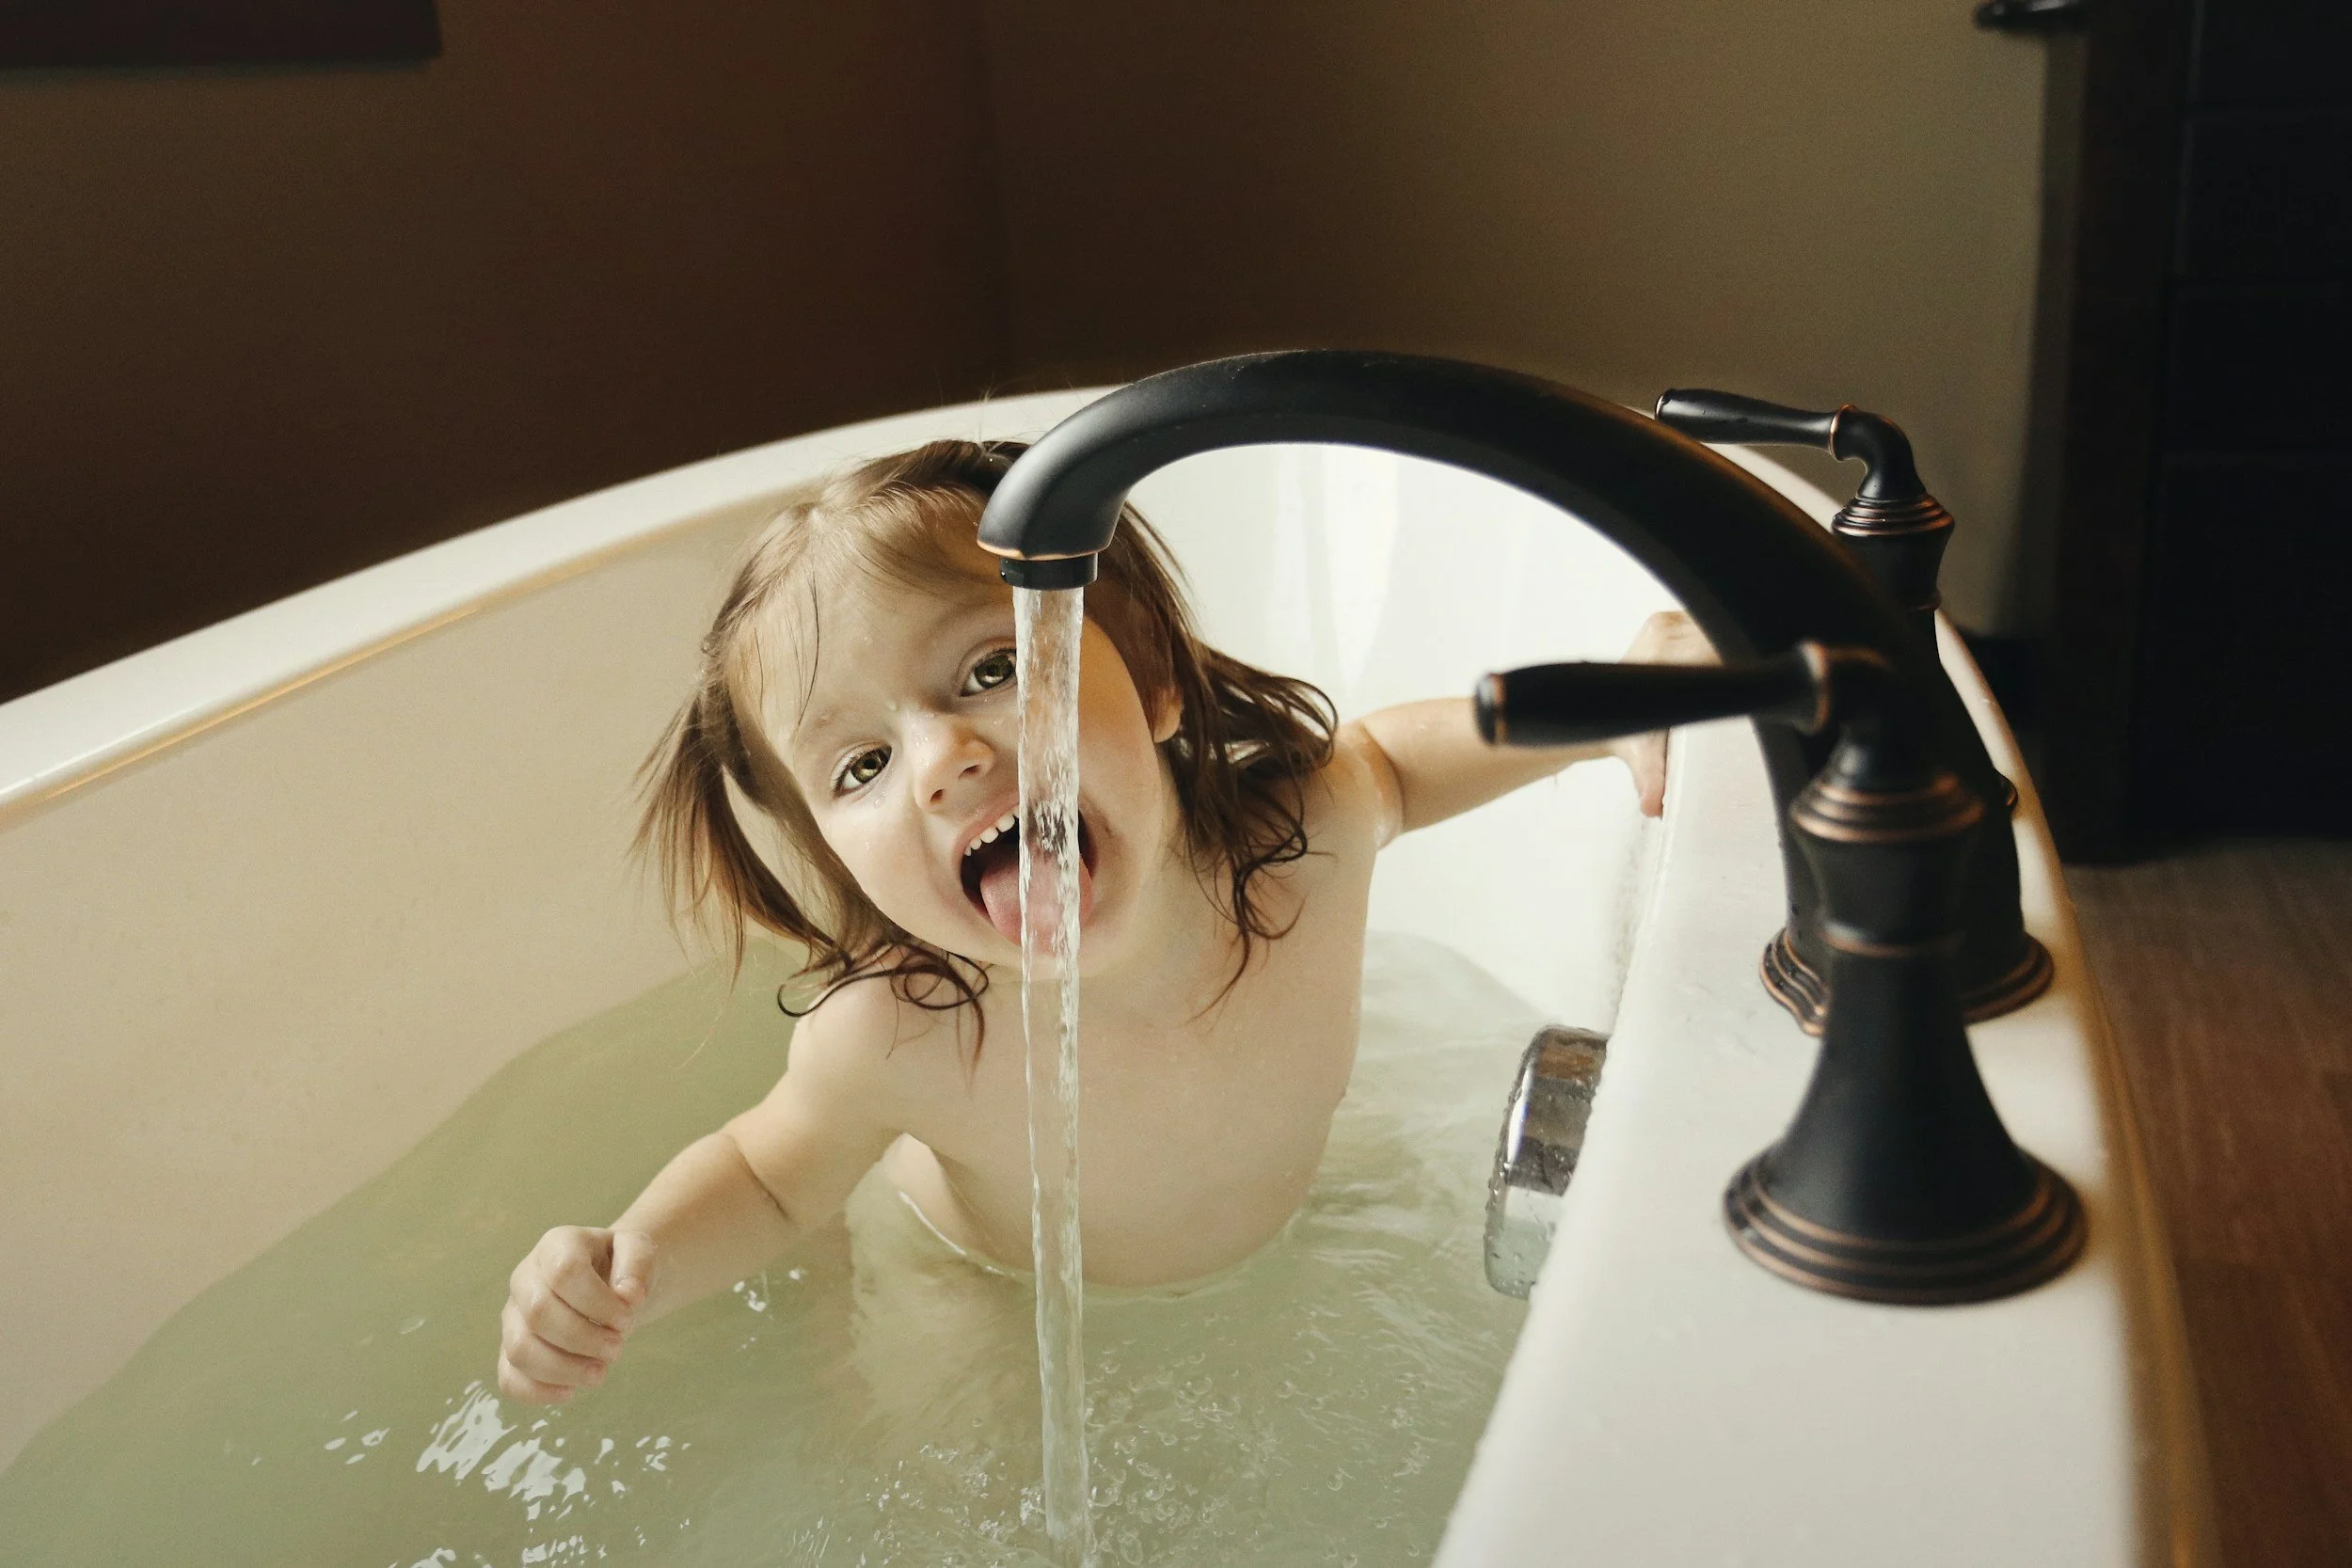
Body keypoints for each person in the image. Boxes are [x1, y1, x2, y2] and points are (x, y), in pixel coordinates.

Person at [495, 439, 1708, 1405]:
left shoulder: (1302, 853)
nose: (942, 760)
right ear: (840, 865)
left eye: (986, 670)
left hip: (1265, 1250)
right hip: (973, 1288)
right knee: (944, 1487)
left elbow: (1394, 759)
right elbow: (767, 1177)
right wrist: (628, 1263)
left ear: (1151, 669)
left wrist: (1611, 701)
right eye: (860, 764)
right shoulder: (907, 1036)